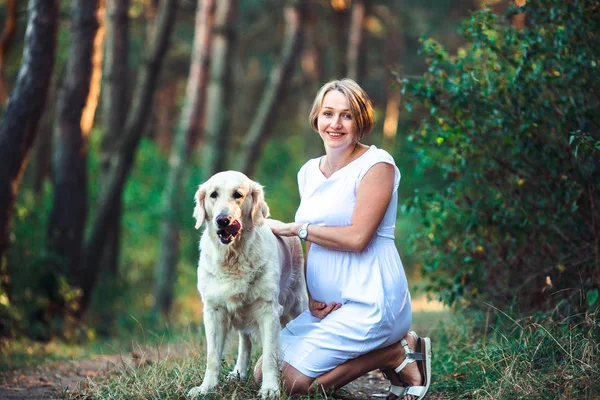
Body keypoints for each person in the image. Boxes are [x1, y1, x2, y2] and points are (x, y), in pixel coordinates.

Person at [257, 78, 432, 400]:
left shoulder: (377, 165)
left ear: (361, 121)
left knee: (293, 385)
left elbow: (356, 239)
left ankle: (394, 353)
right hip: (330, 307)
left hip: (372, 300)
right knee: (264, 371)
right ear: (316, 118)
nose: (335, 124)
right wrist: (311, 294)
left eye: (347, 115)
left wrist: (298, 228)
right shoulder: (307, 171)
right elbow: (316, 242)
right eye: (328, 113)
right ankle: (382, 353)